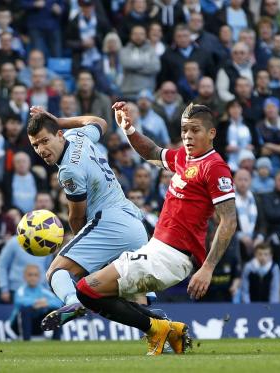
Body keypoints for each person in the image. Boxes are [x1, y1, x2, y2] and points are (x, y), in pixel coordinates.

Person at [62, 102, 238, 355]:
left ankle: (158, 329)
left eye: (195, 130)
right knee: (99, 291)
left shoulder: (215, 168)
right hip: (156, 249)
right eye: (184, 130)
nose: (188, 136)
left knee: (87, 290)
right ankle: (168, 332)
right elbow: (152, 151)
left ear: (211, 133)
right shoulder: (183, 157)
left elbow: (229, 220)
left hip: (172, 256)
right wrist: (129, 129)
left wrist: (208, 268)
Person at [26, 107, 148, 331]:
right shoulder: (78, 135)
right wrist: (60, 120)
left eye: (45, 141)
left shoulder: (68, 171)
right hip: (133, 223)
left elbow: (77, 215)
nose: (41, 149)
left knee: (56, 272)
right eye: (35, 145)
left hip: (110, 224)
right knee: (119, 292)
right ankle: (164, 331)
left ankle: (73, 302)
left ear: (59, 135)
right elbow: (99, 121)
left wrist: (77, 243)